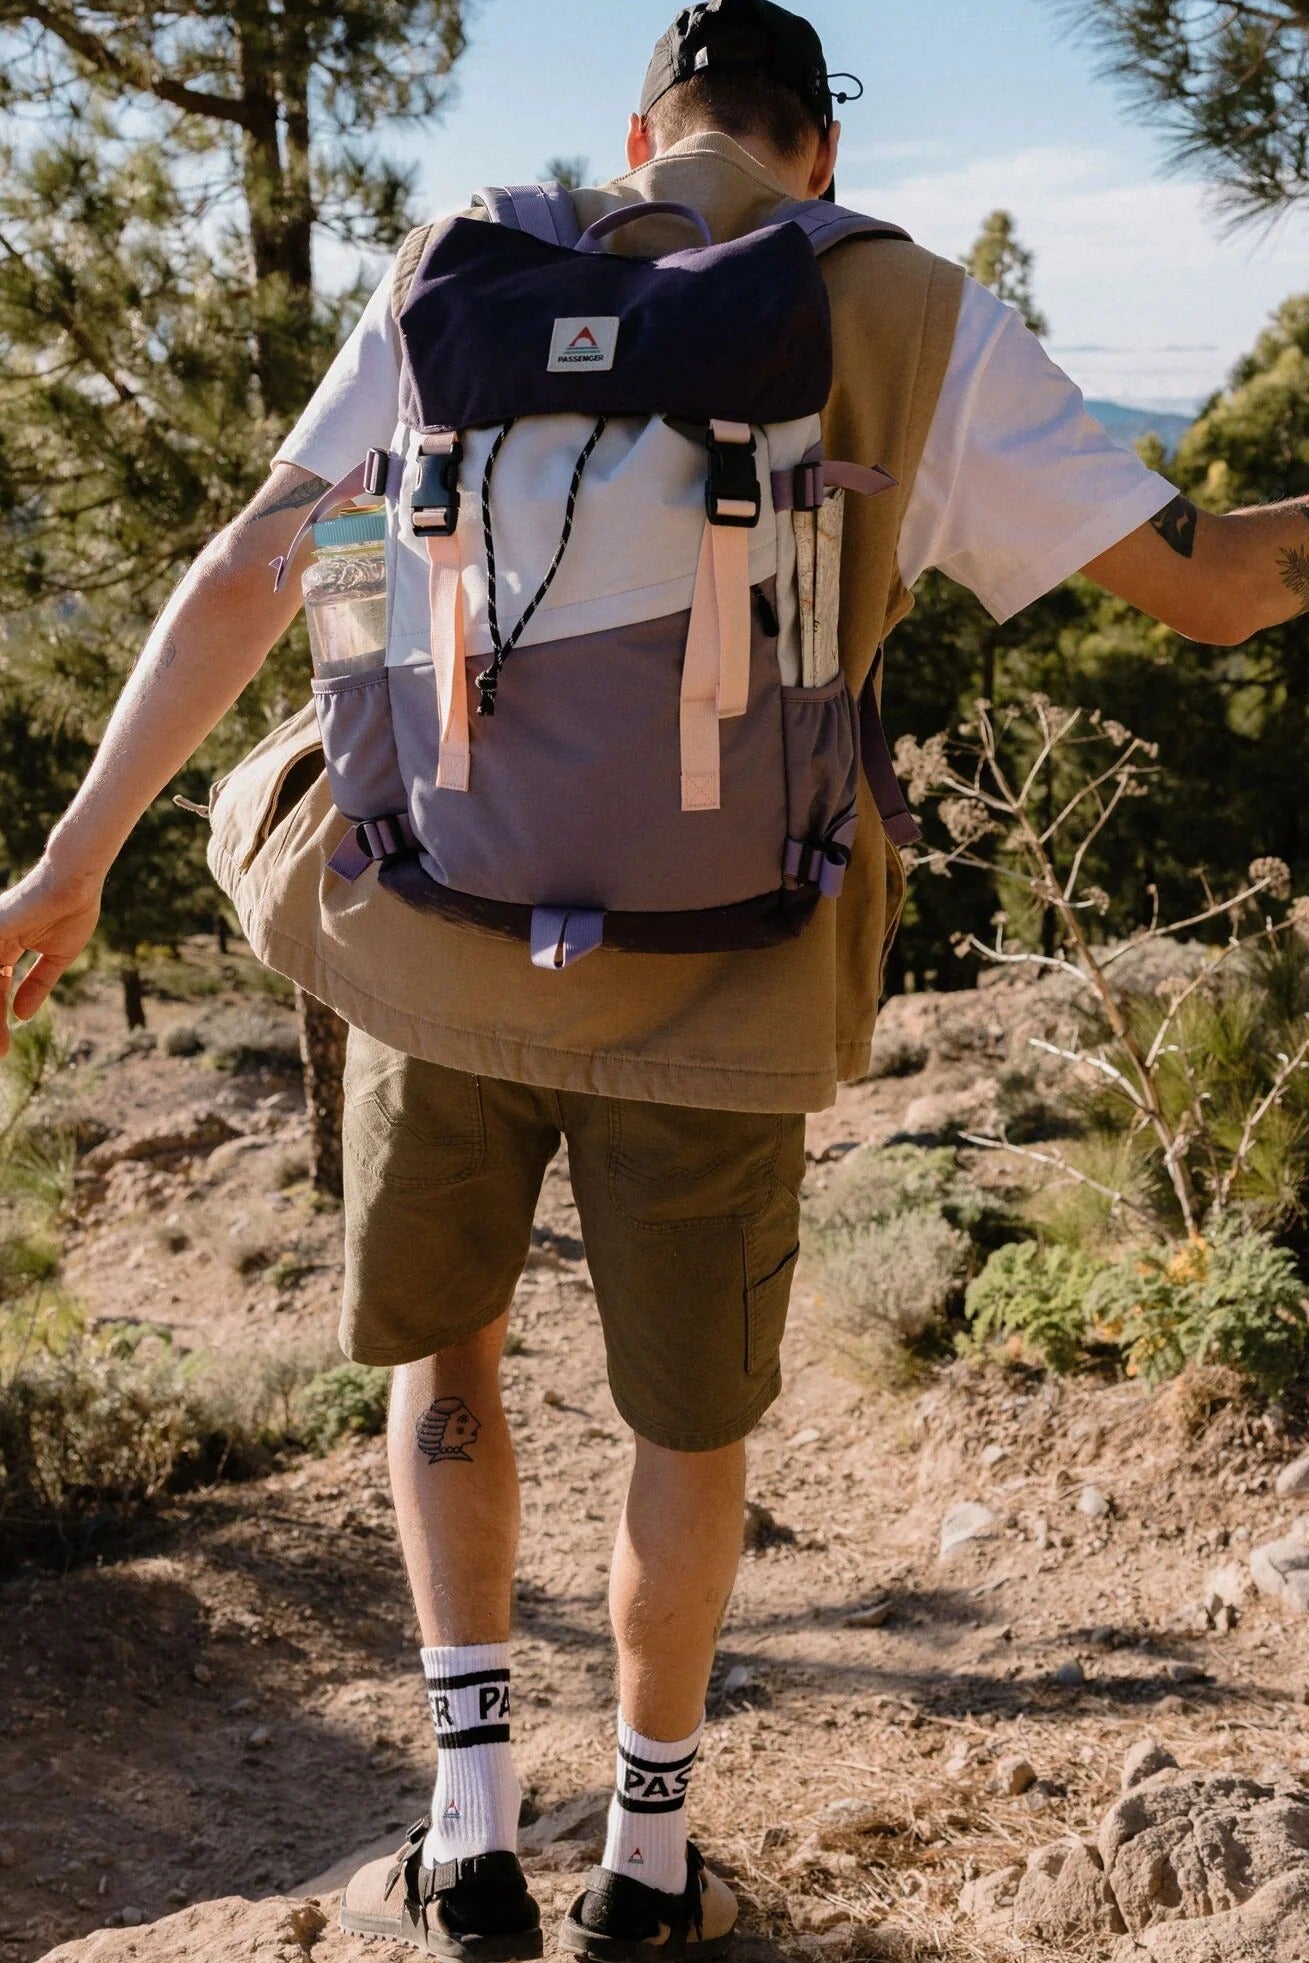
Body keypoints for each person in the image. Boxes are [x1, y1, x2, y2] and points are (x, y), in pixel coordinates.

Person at [2, 0, 1306, 1956]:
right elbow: (1216, 588)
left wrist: (73, 854)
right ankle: (645, 1850)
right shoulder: (901, 309)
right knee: (685, 1433)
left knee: (446, 1369)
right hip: (722, 976)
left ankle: (462, 1830)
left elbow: (257, 568)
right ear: (821, 157)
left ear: (641, 135)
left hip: (431, 928)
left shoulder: (464, 258)